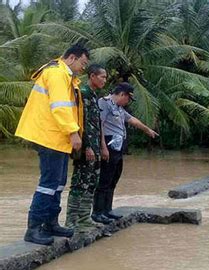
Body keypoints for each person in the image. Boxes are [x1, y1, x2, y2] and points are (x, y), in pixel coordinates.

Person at [15, 44, 89, 245]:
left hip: (58, 137)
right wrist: (73, 133)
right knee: (48, 184)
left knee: (58, 183)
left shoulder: (65, 75)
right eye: (82, 63)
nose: (83, 68)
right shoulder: (57, 74)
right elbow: (60, 108)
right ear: (72, 58)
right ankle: (34, 228)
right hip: (50, 136)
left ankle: (50, 224)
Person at [92, 83, 158, 221]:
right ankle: (98, 213)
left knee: (113, 179)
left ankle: (107, 210)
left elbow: (131, 120)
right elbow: (100, 124)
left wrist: (147, 130)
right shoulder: (104, 103)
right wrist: (103, 146)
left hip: (118, 146)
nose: (128, 102)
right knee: (104, 179)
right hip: (109, 145)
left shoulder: (119, 108)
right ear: (122, 94)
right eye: (128, 99)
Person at [65, 64, 111, 231]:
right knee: (79, 184)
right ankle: (72, 221)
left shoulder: (93, 96)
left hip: (96, 148)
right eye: (102, 77)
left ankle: (84, 218)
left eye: (105, 77)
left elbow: (97, 124)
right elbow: (79, 122)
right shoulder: (82, 93)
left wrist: (103, 147)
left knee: (92, 183)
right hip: (85, 148)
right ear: (92, 76)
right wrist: (86, 147)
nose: (105, 80)